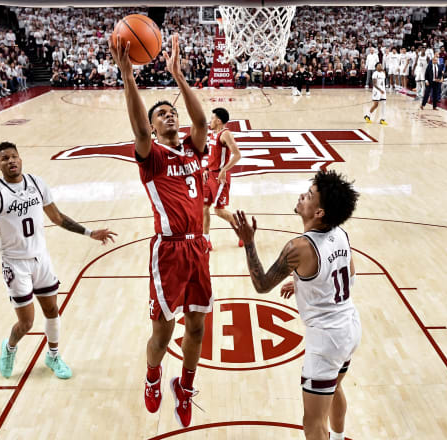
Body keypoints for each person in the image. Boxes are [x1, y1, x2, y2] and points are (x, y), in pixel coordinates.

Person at [0, 142, 116, 380]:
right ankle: (10, 348)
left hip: (41, 260)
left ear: (21, 159)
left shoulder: (37, 183)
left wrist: (89, 233)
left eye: (14, 156)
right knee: (26, 323)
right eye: (4, 158)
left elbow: (57, 217)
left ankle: (53, 356)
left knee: (52, 311)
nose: (11, 161)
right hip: (15, 265)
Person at [109, 34, 211, 428]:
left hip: (198, 247)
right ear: (152, 127)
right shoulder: (152, 157)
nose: (170, 115)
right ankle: (153, 376)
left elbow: (201, 121)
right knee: (164, 333)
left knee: (198, 328)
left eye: (172, 112)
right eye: (162, 114)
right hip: (168, 251)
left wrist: (178, 77)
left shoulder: (193, 148)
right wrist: (127, 76)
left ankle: (184, 387)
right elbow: (136, 130)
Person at [231, 170, 361, 440]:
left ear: (320, 212)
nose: (303, 196)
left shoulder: (298, 248)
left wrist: (249, 242)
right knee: (335, 387)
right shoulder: (341, 234)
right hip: (349, 326)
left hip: (325, 340)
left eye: (310, 196)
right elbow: (348, 272)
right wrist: (303, 282)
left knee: (313, 422)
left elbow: (262, 284)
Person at [202, 107, 242, 250]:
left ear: (218, 121)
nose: (210, 121)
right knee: (204, 207)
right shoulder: (213, 134)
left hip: (220, 177)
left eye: (212, 118)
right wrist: (206, 168)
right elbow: (213, 156)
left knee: (219, 210)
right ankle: (206, 240)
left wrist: (224, 170)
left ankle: (243, 230)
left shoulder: (225, 134)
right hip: (210, 175)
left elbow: (237, 154)